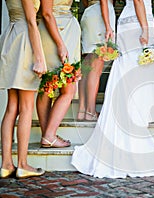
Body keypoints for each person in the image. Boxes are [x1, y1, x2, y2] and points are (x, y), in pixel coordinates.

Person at [71, 0, 154, 178]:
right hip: (138, 23)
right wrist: (146, 28)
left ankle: (128, 118)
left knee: (128, 73)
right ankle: (131, 121)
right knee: (135, 74)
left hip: (130, 20)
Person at [0, 0, 46, 178]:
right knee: (26, 106)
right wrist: (40, 57)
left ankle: (6, 165)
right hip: (25, 40)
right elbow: (31, 21)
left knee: (12, 106)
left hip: (11, 38)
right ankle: (23, 164)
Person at [37, 0, 81, 148]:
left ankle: (47, 135)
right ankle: (49, 135)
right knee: (62, 87)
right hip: (56, 32)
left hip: (65, 29)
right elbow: (46, 13)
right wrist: (60, 44)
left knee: (49, 85)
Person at [77, 0, 116, 121]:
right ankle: (91, 111)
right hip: (100, 15)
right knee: (96, 68)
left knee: (87, 66)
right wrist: (108, 25)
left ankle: (82, 110)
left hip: (89, 13)